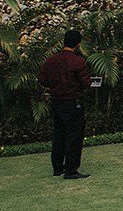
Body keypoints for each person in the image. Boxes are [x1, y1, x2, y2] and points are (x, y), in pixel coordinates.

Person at [38, 28, 92, 179]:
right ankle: (71, 170)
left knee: (59, 134)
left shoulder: (51, 60)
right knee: (74, 136)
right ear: (78, 44)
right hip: (73, 102)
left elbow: (42, 80)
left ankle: (57, 168)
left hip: (57, 102)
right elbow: (85, 82)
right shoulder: (77, 61)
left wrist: (55, 86)